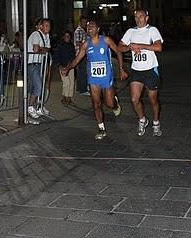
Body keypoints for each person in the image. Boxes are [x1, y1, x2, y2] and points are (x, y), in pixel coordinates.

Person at [61, 19, 128, 140]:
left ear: (98, 29)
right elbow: (77, 59)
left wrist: (122, 69)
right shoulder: (86, 44)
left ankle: (115, 103)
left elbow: (118, 52)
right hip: (93, 79)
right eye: (87, 27)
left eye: (92, 26)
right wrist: (67, 68)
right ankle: (101, 128)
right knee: (96, 104)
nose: (89, 28)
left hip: (106, 78)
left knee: (109, 103)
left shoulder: (106, 40)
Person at [119, 9, 163, 137]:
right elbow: (119, 47)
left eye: (141, 16)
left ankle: (156, 123)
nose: (138, 19)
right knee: (134, 99)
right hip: (136, 70)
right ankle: (142, 119)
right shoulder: (130, 31)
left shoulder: (152, 30)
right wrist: (129, 47)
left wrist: (140, 46)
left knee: (153, 100)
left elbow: (158, 47)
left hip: (150, 70)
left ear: (147, 18)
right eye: (136, 17)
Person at [27, 18, 51, 122]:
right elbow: (36, 49)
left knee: (38, 85)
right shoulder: (35, 34)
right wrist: (43, 49)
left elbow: (48, 49)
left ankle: (39, 106)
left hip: (40, 63)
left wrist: (42, 48)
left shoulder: (47, 36)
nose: (48, 27)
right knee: (38, 86)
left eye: (49, 25)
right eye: (46, 25)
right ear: (40, 26)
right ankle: (30, 107)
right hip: (32, 63)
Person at [55, 30, 76, 105]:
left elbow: (73, 57)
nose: (67, 37)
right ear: (63, 37)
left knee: (72, 83)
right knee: (66, 83)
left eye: (68, 36)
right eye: (66, 36)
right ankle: (66, 98)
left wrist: (68, 66)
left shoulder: (71, 45)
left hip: (70, 67)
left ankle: (67, 98)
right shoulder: (60, 46)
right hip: (62, 67)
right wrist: (61, 66)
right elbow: (57, 57)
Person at [74, 15, 89, 94]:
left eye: (85, 22)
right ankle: (82, 89)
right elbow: (78, 42)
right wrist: (85, 44)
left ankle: (81, 88)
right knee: (82, 71)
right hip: (80, 53)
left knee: (83, 71)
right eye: (83, 22)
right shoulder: (79, 31)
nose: (85, 23)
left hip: (83, 52)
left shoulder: (83, 30)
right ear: (80, 22)